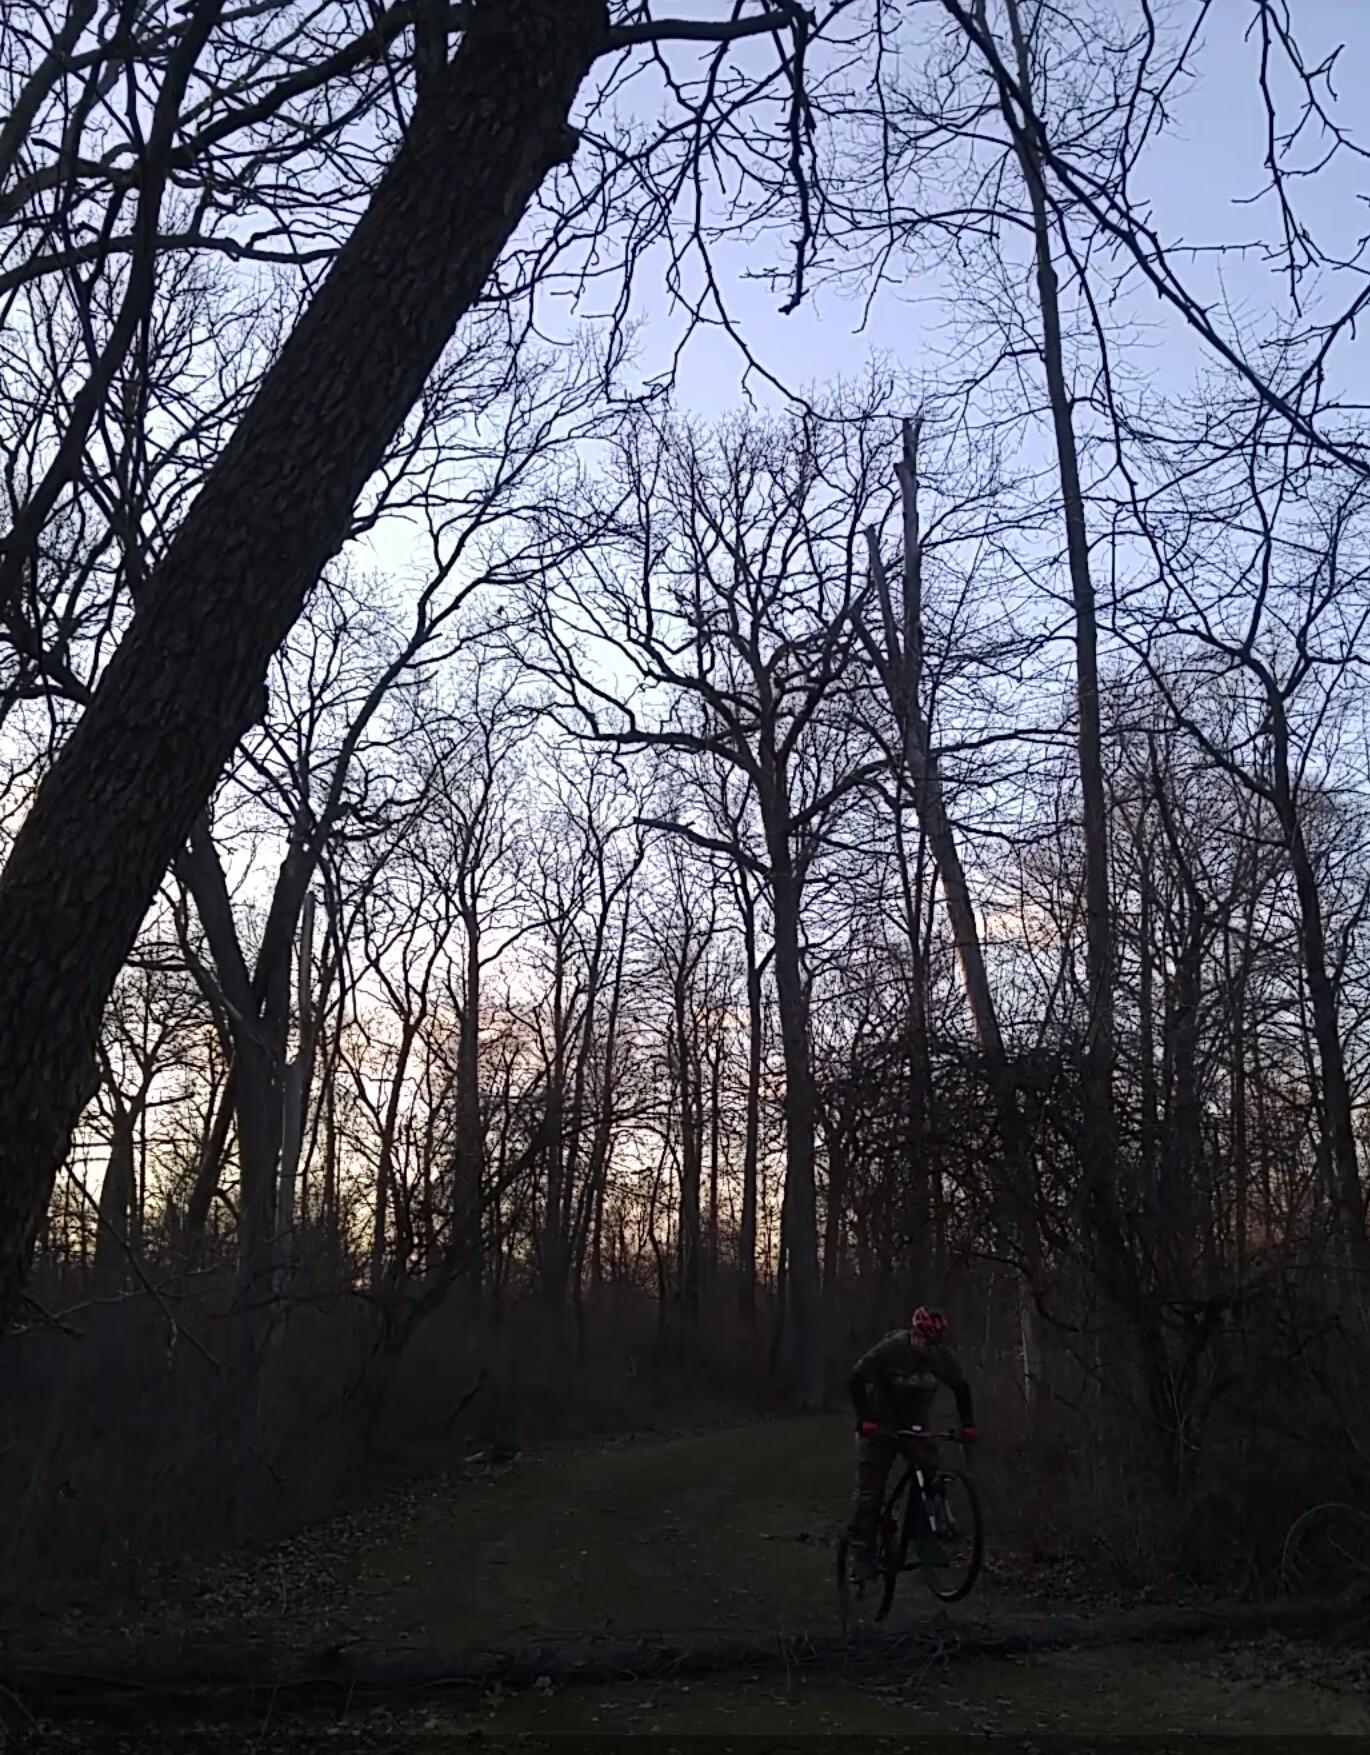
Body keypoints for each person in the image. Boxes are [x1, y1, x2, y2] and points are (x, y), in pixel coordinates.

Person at [846, 1306, 976, 1582]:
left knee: (930, 1477)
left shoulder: (940, 1358)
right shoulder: (890, 1349)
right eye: (924, 1342)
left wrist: (968, 1425)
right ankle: (862, 1556)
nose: (927, 1349)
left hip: (915, 1427)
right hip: (880, 1427)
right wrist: (864, 1420)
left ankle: (923, 1539)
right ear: (914, 1334)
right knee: (871, 1493)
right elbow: (855, 1379)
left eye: (933, 1344)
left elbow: (961, 1388)